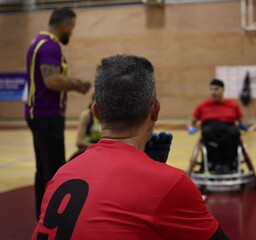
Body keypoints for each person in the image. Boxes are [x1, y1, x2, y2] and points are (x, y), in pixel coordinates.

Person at [32, 55, 228, 240]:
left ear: (96, 112)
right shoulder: (171, 183)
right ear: (155, 110)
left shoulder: (61, 175)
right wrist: (152, 176)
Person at [25, 7, 91, 218]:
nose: (71, 33)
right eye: (71, 28)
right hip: (47, 115)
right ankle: (54, 219)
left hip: (39, 114)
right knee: (53, 170)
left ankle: (42, 215)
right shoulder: (49, 46)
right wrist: (78, 84)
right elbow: (52, 80)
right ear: (64, 25)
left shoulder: (38, 43)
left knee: (43, 169)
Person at [188, 79, 249, 174]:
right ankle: (213, 164)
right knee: (207, 132)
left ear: (223, 90)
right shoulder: (203, 105)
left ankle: (228, 165)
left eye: (216, 89)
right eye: (211, 89)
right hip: (210, 128)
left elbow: (242, 119)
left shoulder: (232, 104)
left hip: (228, 128)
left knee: (234, 132)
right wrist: (190, 127)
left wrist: (244, 125)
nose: (213, 92)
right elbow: (191, 120)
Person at [68, 95, 101, 160]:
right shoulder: (86, 116)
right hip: (88, 149)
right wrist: (97, 147)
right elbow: (79, 142)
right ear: (93, 103)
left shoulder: (107, 116)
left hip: (100, 148)